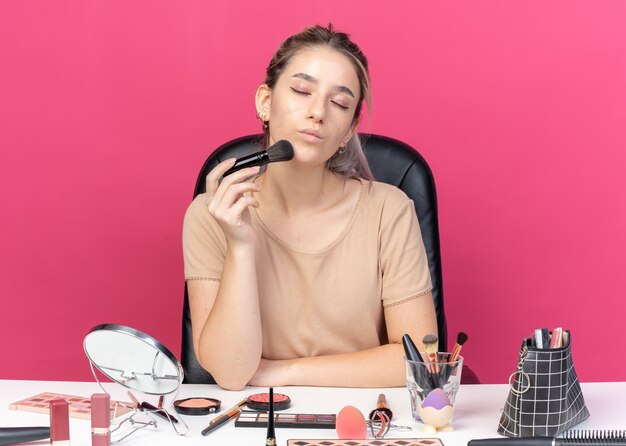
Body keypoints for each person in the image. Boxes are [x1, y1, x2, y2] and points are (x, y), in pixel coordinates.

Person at [183, 24, 437, 390]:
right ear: (265, 102)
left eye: (340, 103)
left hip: (364, 419)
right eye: (302, 91)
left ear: (349, 129)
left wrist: (283, 372)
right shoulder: (210, 215)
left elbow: (420, 362)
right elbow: (233, 373)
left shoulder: (389, 210)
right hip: (252, 421)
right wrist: (239, 245)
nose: (318, 112)